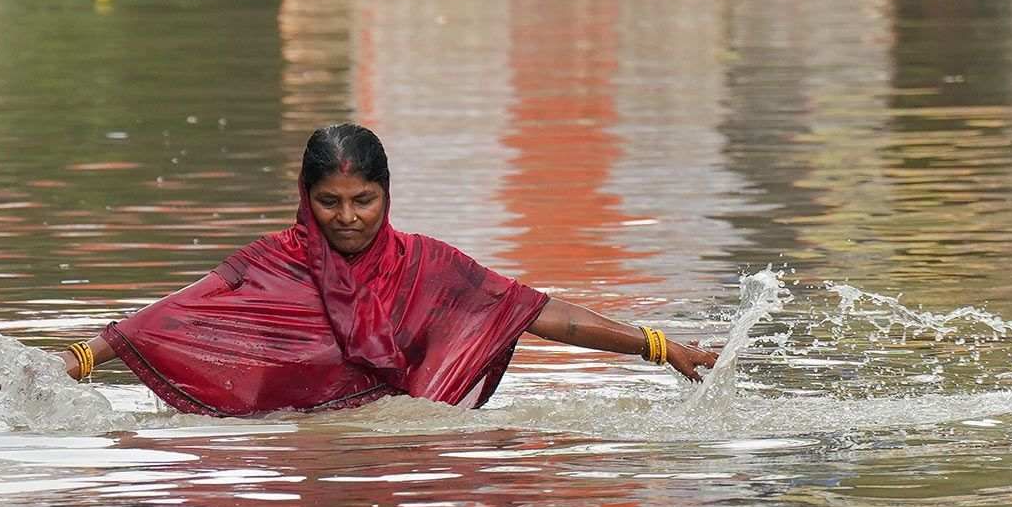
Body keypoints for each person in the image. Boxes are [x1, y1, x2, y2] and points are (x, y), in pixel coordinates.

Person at [58, 124, 717, 415]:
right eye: (329, 202)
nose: (347, 218)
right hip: (299, 451)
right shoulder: (268, 265)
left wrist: (656, 346)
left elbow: (541, 313)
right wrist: (75, 361)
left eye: (363, 201)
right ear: (304, 198)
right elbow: (167, 319)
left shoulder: (429, 267)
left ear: (387, 196)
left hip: (396, 444)